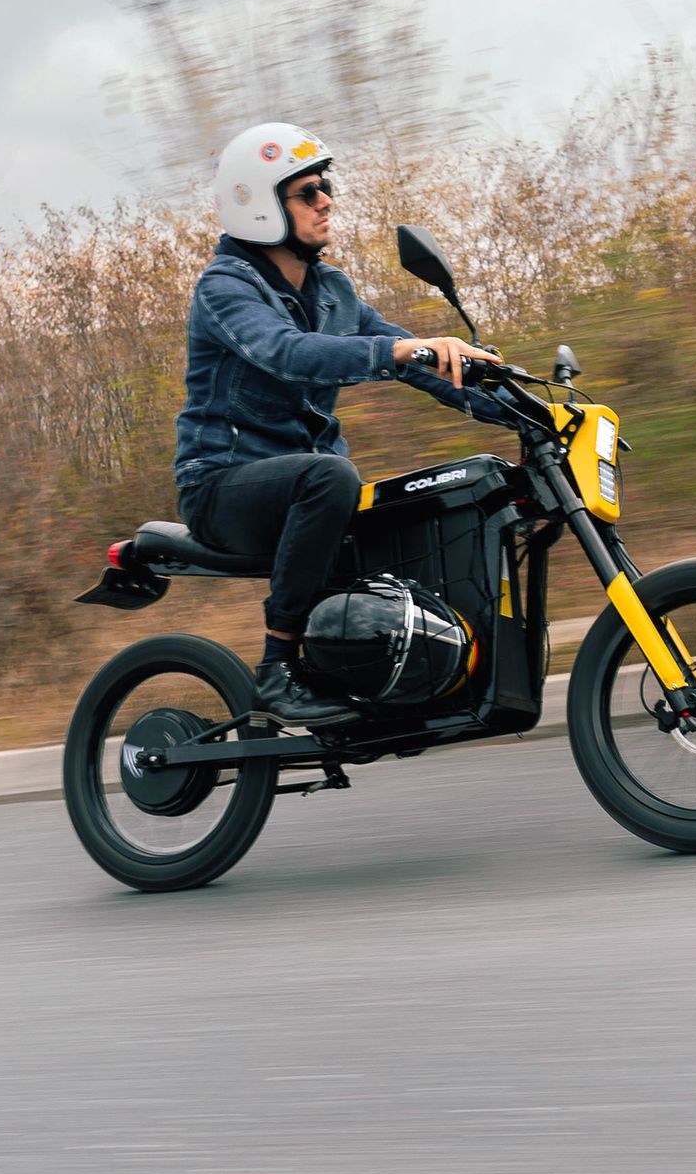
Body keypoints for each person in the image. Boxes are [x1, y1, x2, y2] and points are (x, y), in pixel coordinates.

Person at [174, 121, 509, 727]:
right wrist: (400, 353)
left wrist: (513, 402)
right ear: (260, 207)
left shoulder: (332, 290)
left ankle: (375, 675)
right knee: (332, 477)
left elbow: (417, 360)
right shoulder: (225, 288)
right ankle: (276, 669)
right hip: (222, 484)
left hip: (299, 484)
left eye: (324, 186)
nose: (326, 199)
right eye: (306, 192)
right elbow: (287, 352)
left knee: (407, 508)